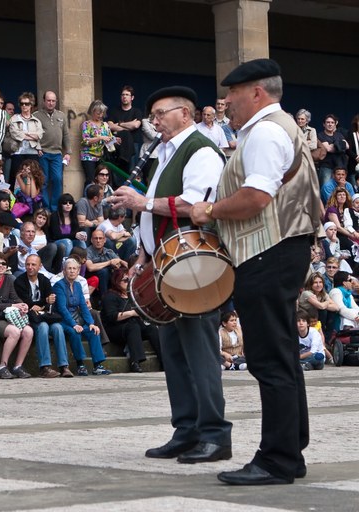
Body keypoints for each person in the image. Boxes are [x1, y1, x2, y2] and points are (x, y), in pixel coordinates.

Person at [191, 59, 322, 484]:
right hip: (282, 249)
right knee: (282, 355)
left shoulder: (264, 132)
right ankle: (291, 450)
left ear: (257, 93)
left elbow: (254, 198)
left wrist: (208, 209)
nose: (226, 102)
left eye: (233, 93)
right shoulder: (281, 127)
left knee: (268, 359)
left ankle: (277, 459)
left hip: (267, 251)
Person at [113, 85, 230, 465]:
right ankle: (186, 430)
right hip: (166, 264)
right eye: (153, 115)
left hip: (194, 266)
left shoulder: (200, 149)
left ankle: (214, 434)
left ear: (186, 113)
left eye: (161, 113)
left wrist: (141, 201)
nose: (155, 121)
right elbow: (157, 210)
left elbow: (197, 204)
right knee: (174, 352)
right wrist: (144, 252)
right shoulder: (166, 151)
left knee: (200, 352)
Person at [0, 252, 34, 379]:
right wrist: (11, 306)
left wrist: (22, 305)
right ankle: (2, 367)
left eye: (3, 263)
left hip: (7, 316)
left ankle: (18, 366)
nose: (0, 266)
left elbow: (15, 298)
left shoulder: (10, 279)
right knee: (14, 332)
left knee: (28, 331)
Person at [53, 257, 111, 376]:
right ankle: (80, 365)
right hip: (64, 320)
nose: (72, 271)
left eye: (74, 269)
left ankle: (97, 365)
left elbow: (83, 306)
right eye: (69, 268)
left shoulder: (78, 285)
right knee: (75, 333)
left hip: (77, 318)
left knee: (93, 331)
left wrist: (91, 323)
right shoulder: (59, 286)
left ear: (78, 271)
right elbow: (62, 309)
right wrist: (74, 325)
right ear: (64, 271)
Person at [14, 254, 66, 378]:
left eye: (33, 264)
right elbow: (27, 303)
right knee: (43, 327)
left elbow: (49, 301)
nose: (30, 267)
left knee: (58, 328)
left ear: (40, 266)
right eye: (28, 264)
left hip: (45, 315)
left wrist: (46, 302)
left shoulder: (44, 280)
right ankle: (45, 367)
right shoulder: (19, 281)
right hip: (29, 317)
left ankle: (64, 366)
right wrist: (44, 302)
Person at [101, 267, 160, 373]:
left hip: (132, 324)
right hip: (114, 328)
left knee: (151, 328)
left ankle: (164, 359)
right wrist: (132, 313)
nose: (128, 283)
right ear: (116, 281)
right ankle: (135, 362)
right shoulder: (110, 296)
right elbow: (112, 317)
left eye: (130, 280)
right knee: (133, 327)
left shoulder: (132, 295)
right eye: (125, 280)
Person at [34, 91, 70, 212]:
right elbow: (33, 134)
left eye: (53, 101)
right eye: (48, 100)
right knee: (43, 180)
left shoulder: (61, 115)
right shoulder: (36, 115)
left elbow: (66, 134)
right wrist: (37, 147)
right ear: (44, 101)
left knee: (57, 179)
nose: (51, 103)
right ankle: (45, 207)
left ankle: (55, 207)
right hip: (43, 152)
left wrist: (68, 152)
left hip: (57, 154)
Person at [8, 92, 43, 186]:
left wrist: (24, 134)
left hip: (32, 153)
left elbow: (39, 135)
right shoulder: (14, 118)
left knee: (33, 179)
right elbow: (15, 134)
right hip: (18, 152)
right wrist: (31, 136)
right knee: (16, 179)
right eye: (22, 103)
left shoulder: (36, 120)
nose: (24, 106)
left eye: (27, 104)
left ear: (31, 105)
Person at [81, 100, 116, 185]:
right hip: (88, 156)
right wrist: (100, 137)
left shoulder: (105, 125)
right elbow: (85, 141)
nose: (100, 116)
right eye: (98, 113)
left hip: (101, 156)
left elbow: (109, 140)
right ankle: (87, 197)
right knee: (90, 180)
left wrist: (114, 140)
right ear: (92, 111)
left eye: (102, 113)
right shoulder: (86, 124)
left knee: (102, 180)